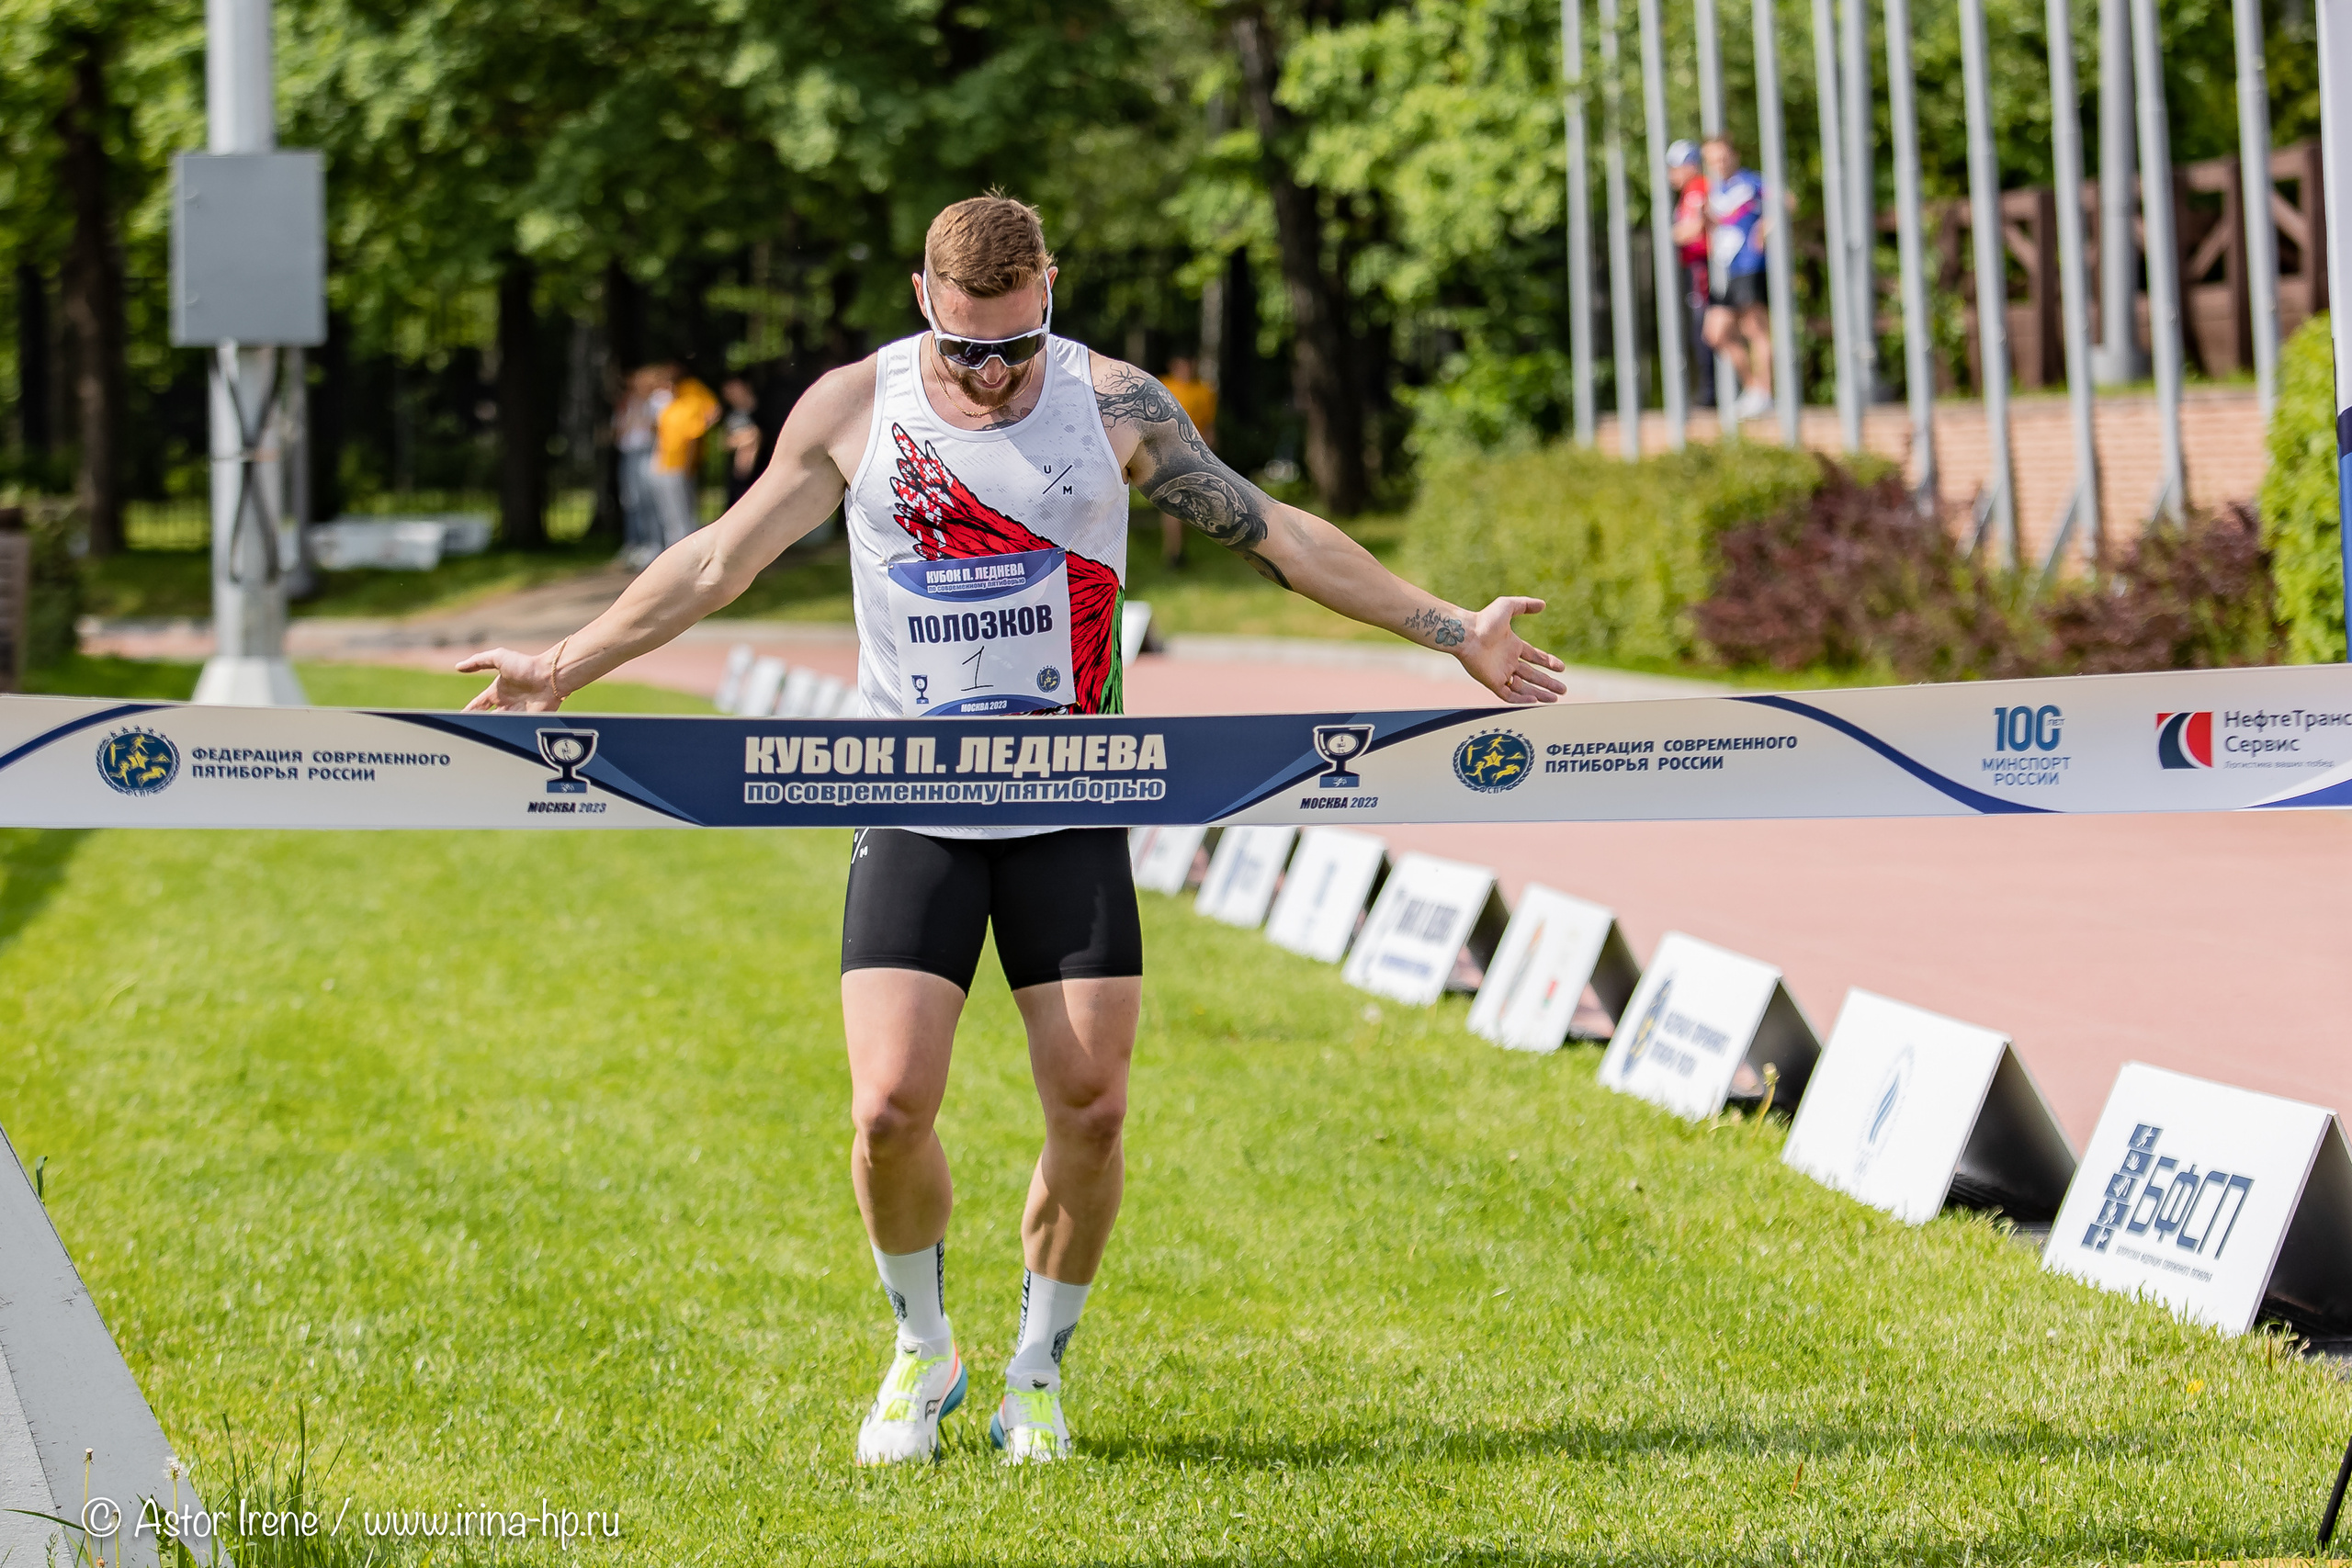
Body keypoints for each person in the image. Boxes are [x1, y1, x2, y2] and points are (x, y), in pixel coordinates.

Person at [455, 194, 1566, 1469]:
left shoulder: (1112, 406)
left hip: (1072, 800)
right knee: (885, 1106)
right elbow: (717, 561)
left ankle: (1036, 1367)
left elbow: (1278, 536)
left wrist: (1450, 631)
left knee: (1091, 1105)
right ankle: (924, 1346)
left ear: (1051, 293)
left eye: (1015, 348)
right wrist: (563, 661)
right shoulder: (857, 406)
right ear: (926, 297)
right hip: (914, 805)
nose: (989, 375)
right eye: (966, 346)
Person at [1700, 136, 1777, 422]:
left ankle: (1765, 394)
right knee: (1715, 332)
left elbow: (1785, 202)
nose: (1719, 164)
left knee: (1755, 330)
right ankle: (1755, 388)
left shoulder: (1752, 182)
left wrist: (1765, 226)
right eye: (1712, 160)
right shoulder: (1717, 190)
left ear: (1734, 155)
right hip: (1729, 269)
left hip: (1751, 263)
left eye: (1722, 157)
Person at [1666, 141, 1718, 411]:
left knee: (1704, 328)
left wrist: (1670, 235)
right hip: (1698, 266)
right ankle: (1710, 392)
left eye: (1674, 167)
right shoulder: (1691, 191)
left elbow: (1694, 228)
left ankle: (1710, 394)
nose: (1670, 174)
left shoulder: (1697, 188)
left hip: (1702, 266)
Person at [649, 363, 720, 550]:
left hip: (680, 466)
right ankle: (672, 550)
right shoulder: (671, 408)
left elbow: (692, 440)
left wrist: (689, 466)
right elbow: (660, 438)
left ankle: (687, 551)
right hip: (664, 465)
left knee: (683, 514)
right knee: (669, 515)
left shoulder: (690, 403)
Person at [1154, 356, 1217, 567]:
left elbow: (1209, 425)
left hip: (1194, 453)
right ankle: (1173, 552)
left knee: (1187, 504)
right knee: (1171, 501)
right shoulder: (1163, 386)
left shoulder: (1204, 391)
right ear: (1173, 366)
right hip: (1169, 452)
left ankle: (1180, 550)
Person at [614, 367, 662, 567]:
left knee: (648, 500)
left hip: (647, 452)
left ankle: (654, 545)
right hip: (629, 454)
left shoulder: (655, 402)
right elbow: (618, 431)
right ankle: (635, 544)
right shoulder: (628, 404)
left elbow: (654, 428)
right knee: (631, 500)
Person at [721, 375, 764, 509]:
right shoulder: (732, 417)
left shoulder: (764, 411)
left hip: (761, 471)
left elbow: (759, 435)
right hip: (738, 477)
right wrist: (745, 438)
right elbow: (725, 443)